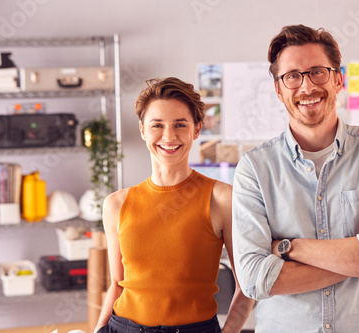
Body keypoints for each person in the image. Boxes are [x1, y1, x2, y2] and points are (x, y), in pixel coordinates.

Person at [232, 25, 359, 332]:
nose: (306, 87)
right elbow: (253, 279)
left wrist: (287, 248)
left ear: (338, 79)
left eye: (317, 71)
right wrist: (358, 255)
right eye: (292, 76)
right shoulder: (254, 168)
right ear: (278, 89)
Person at [95, 77, 254, 333]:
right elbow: (116, 284)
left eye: (180, 124)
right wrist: (98, 329)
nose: (169, 136)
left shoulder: (223, 198)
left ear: (197, 129)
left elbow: (248, 285)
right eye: (157, 125)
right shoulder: (116, 204)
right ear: (143, 130)